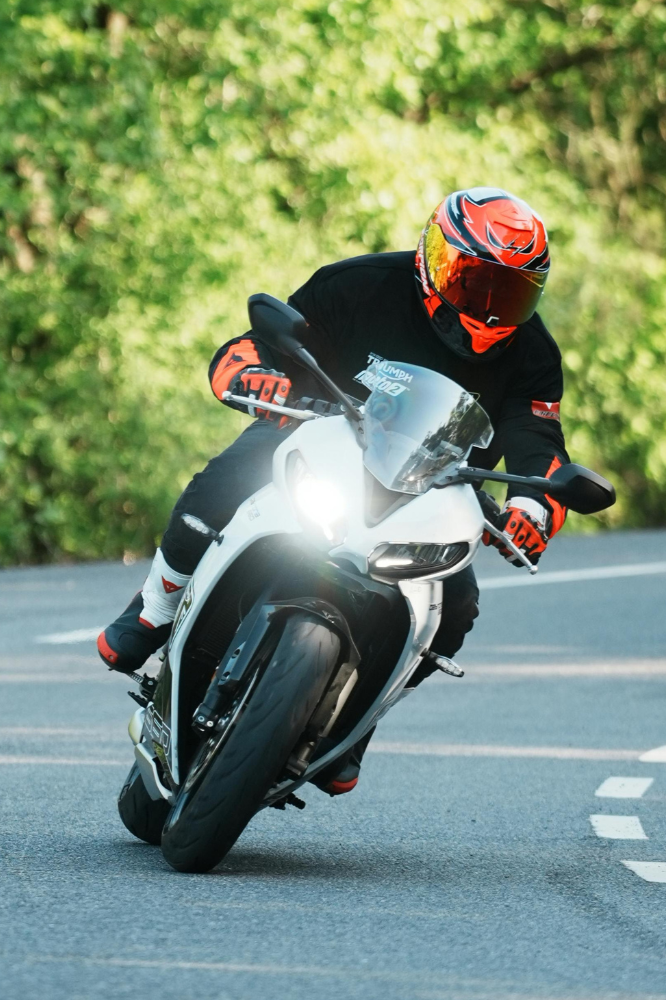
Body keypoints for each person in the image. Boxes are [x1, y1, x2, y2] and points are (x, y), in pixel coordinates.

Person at [98, 187, 571, 793]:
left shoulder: (533, 354)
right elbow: (260, 345)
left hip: (436, 487)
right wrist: (256, 376)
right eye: (475, 281)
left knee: (458, 608)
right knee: (227, 479)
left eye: (510, 292)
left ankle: (354, 720)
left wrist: (530, 509)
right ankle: (154, 609)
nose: (488, 305)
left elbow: (541, 443)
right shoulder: (358, 284)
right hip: (324, 436)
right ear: (433, 256)